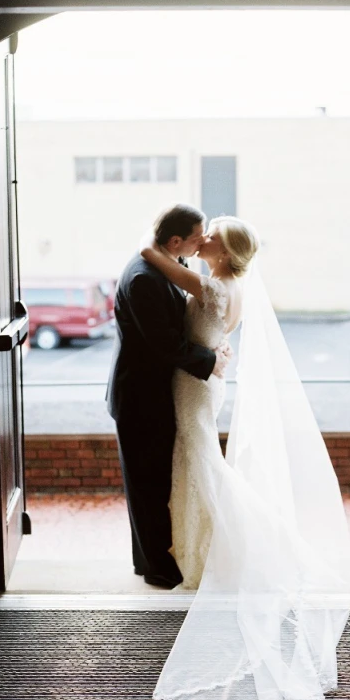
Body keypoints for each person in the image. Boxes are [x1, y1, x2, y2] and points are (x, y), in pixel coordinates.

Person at [140, 216, 350, 700]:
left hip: (195, 387)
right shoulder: (231, 283)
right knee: (198, 461)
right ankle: (203, 544)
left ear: (224, 247)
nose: (204, 236)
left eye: (211, 232)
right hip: (204, 379)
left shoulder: (213, 283)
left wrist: (157, 240)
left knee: (206, 464)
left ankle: (250, 541)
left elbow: (154, 258)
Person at [106, 204, 230, 589]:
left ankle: (154, 559)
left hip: (157, 390)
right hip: (141, 395)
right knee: (147, 486)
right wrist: (211, 362)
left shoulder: (165, 261)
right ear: (176, 240)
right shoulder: (144, 279)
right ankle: (157, 569)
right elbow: (164, 344)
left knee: (155, 481)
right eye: (198, 236)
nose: (203, 241)